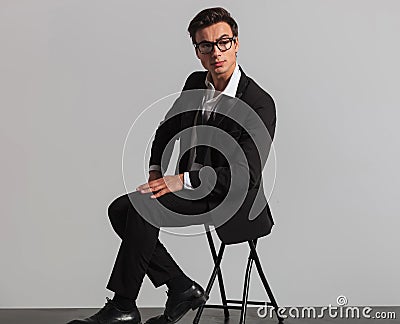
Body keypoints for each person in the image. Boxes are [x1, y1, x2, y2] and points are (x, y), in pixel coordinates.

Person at [67, 7, 276, 324]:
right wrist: (155, 169)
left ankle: (124, 306)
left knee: (140, 208)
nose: (215, 52)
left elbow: (245, 174)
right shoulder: (196, 82)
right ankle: (180, 288)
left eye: (223, 42)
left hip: (233, 200)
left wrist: (183, 179)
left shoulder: (259, 102)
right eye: (206, 46)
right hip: (195, 189)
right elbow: (169, 127)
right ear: (197, 52)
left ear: (236, 43)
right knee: (120, 209)